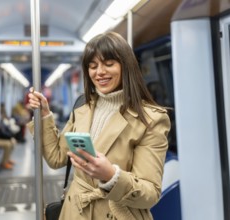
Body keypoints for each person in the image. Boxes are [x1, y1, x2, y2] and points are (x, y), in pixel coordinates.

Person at [27, 31, 170, 220]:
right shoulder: (82, 108)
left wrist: (111, 176)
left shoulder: (151, 119)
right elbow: (56, 158)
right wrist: (45, 115)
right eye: (92, 66)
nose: (99, 72)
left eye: (109, 64)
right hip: (76, 211)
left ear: (126, 66)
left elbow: (150, 193)